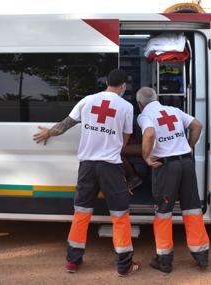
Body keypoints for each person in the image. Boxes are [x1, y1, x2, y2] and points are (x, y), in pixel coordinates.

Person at [33, 69, 140, 277]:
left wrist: (48, 132)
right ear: (123, 86)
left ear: (107, 82)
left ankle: (73, 261)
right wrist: (112, 146)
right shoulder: (126, 107)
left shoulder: (87, 101)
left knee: (81, 213)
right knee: (119, 215)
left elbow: (66, 124)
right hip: (110, 165)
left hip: (87, 166)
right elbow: (125, 138)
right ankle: (124, 265)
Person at [135, 87, 210, 273]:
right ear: (156, 98)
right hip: (186, 163)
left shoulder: (144, 115)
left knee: (163, 212)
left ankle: (164, 260)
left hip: (167, 167)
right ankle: (201, 255)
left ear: (139, 104)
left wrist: (146, 157)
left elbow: (150, 134)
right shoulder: (173, 111)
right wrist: (189, 146)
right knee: (192, 208)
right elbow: (197, 125)